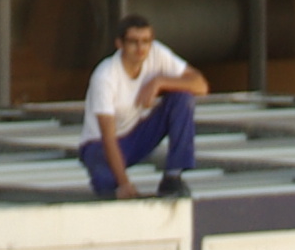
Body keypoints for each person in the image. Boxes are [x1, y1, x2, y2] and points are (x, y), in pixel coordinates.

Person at [79, 11, 207, 199]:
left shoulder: (157, 53)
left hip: (136, 135)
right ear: (119, 44)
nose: (141, 48)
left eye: (146, 41)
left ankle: (173, 176)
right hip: (100, 145)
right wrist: (124, 183)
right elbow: (108, 137)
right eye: (133, 42)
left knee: (182, 98)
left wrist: (160, 81)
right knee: (109, 190)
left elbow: (200, 85)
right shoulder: (105, 76)